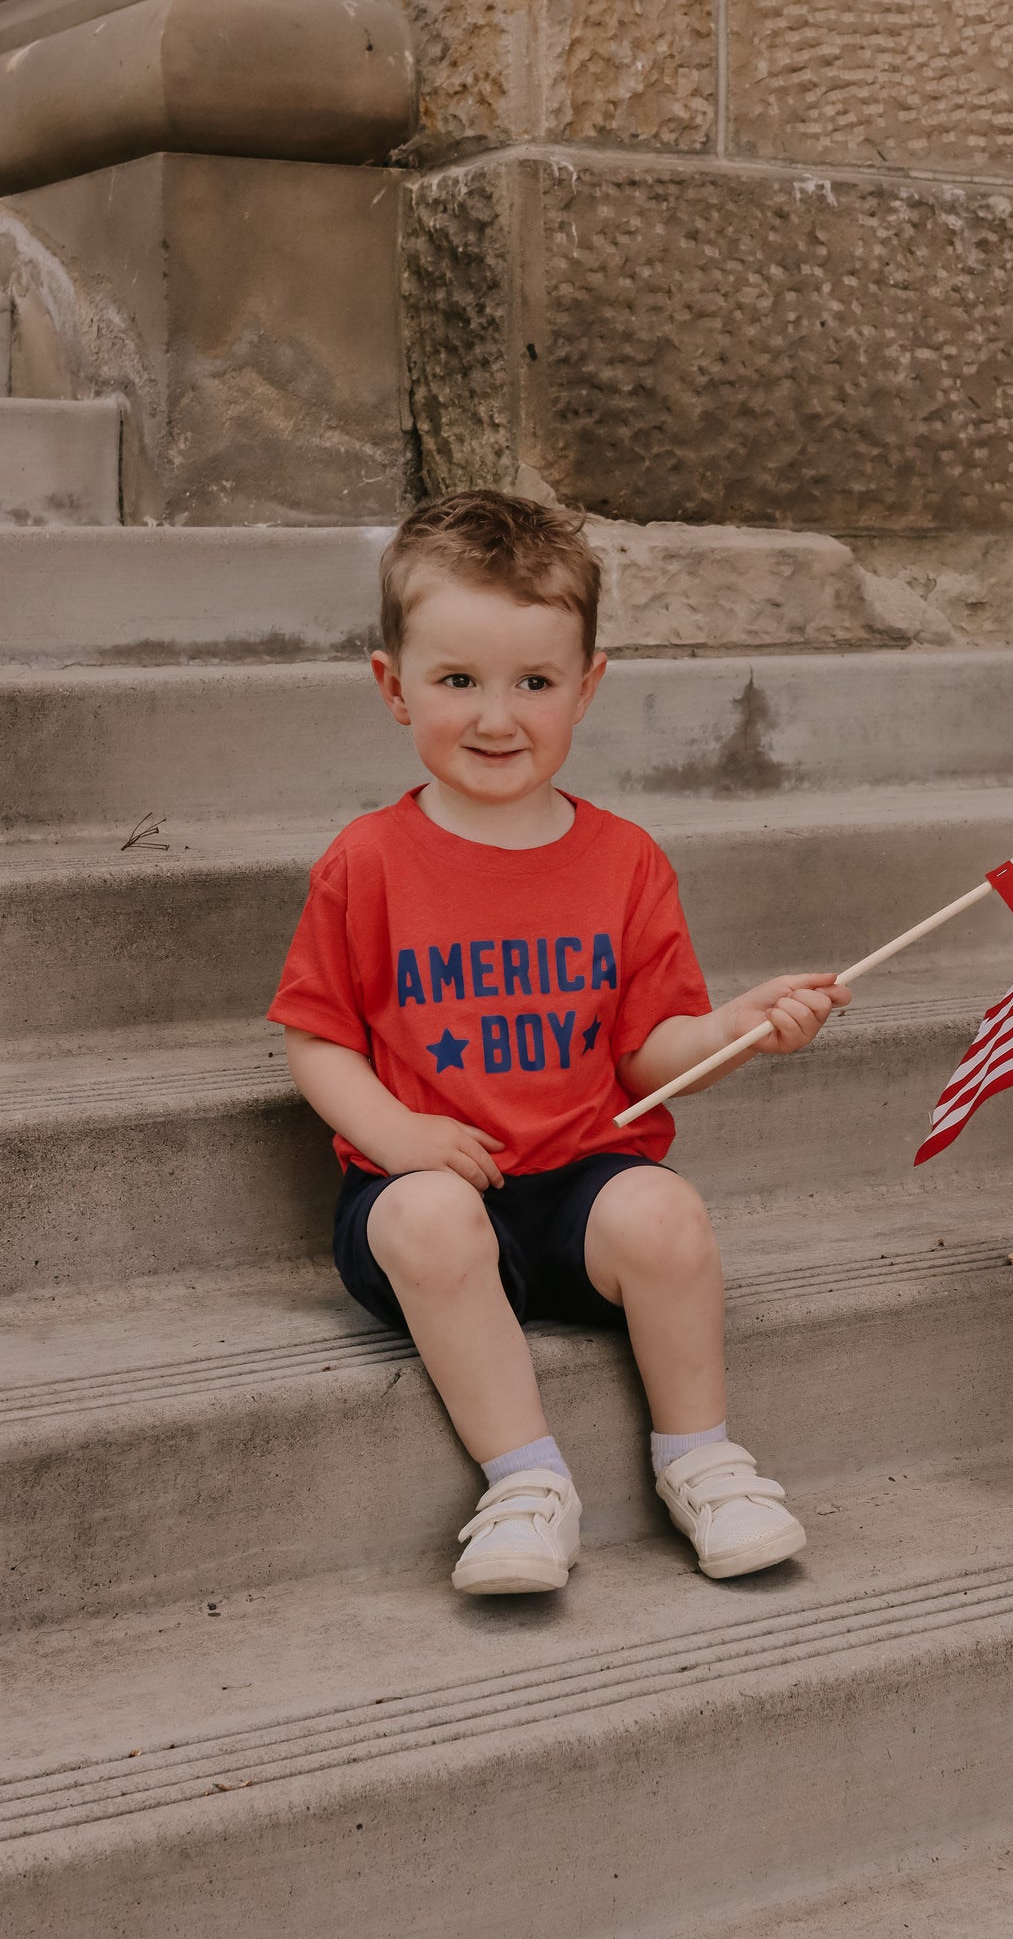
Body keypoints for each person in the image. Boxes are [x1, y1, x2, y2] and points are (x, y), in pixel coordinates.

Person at [269, 488, 851, 1596]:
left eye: (533, 682)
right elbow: (317, 1040)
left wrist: (733, 1028)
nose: (497, 717)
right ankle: (526, 1482)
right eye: (458, 681)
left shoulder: (624, 860)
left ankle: (700, 1459)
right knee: (432, 1218)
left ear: (586, 686)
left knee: (667, 1210)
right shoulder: (368, 861)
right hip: (425, 1193)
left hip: (576, 1182)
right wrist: (397, 1135)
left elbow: (645, 1051)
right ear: (394, 687)